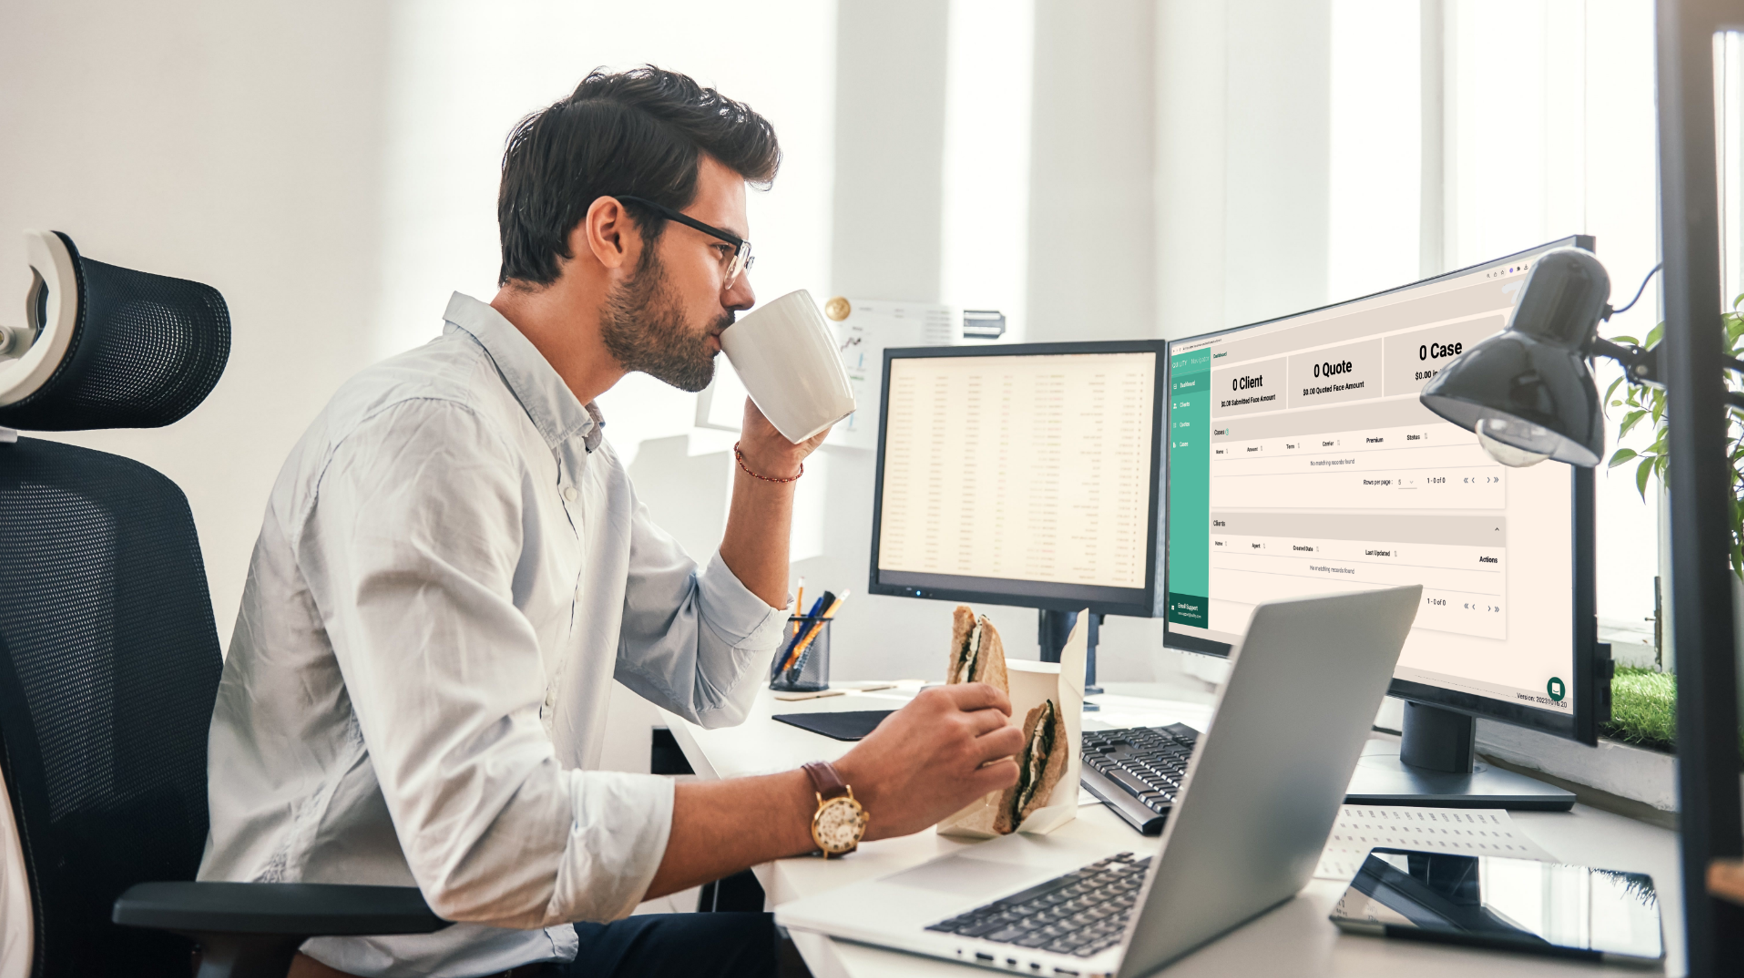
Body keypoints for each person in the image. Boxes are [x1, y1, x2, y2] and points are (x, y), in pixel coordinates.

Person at [199, 66, 1025, 978]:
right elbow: (486, 842)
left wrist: (773, 465)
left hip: (503, 943)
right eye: (725, 251)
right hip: (388, 967)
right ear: (612, 231)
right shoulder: (430, 437)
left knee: (848, 954)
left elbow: (714, 677)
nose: (743, 295)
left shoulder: (566, 448)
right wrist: (850, 793)